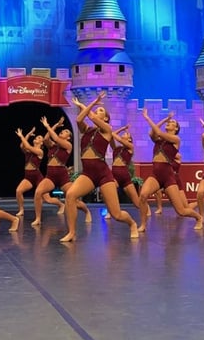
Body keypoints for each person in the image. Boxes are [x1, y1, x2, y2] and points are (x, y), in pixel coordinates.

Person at [59, 92, 138, 242]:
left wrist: (90, 103)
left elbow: (92, 117)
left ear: (106, 118)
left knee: (116, 214)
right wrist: (89, 106)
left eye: (101, 110)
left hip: (103, 173)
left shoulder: (107, 130)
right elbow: (79, 119)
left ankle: (132, 223)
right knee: (70, 195)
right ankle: (72, 232)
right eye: (97, 109)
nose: (97, 111)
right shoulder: (87, 130)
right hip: (88, 173)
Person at [136, 108, 203, 231]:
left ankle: (198, 218)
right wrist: (165, 119)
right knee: (143, 195)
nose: (169, 123)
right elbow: (152, 133)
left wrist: (147, 118)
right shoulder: (159, 140)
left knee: (181, 211)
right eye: (169, 122)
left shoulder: (176, 140)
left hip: (168, 176)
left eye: (172, 123)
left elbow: (159, 133)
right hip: (155, 174)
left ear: (176, 129)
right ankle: (143, 225)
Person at [31, 116, 92, 227]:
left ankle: (87, 211)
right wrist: (55, 126)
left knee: (74, 199)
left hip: (62, 176)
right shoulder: (53, 146)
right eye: (62, 130)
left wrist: (47, 126)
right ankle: (38, 218)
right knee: (38, 192)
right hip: (50, 176)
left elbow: (55, 138)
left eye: (65, 132)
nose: (62, 132)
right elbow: (46, 139)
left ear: (68, 138)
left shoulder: (68, 145)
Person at [15, 127, 62, 218]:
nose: (36, 138)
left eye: (39, 138)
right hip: (28, 177)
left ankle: (61, 205)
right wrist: (28, 134)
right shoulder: (28, 150)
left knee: (47, 199)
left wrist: (22, 136)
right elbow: (22, 146)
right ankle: (21, 210)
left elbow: (27, 146)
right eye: (36, 137)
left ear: (41, 143)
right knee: (18, 191)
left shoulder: (40, 152)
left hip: (37, 177)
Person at [110, 125, 145, 228]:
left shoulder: (130, 148)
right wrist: (122, 128)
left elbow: (114, 135)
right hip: (114, 174)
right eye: (124, 133)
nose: (124, 134)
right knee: (110, 192)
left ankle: (145, 211)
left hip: (124, 175)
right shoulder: (117, 148)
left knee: (136, 202)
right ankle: (110, 210)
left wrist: (120, 131)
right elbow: (111, 136)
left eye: (126, 134)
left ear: (129, 139)